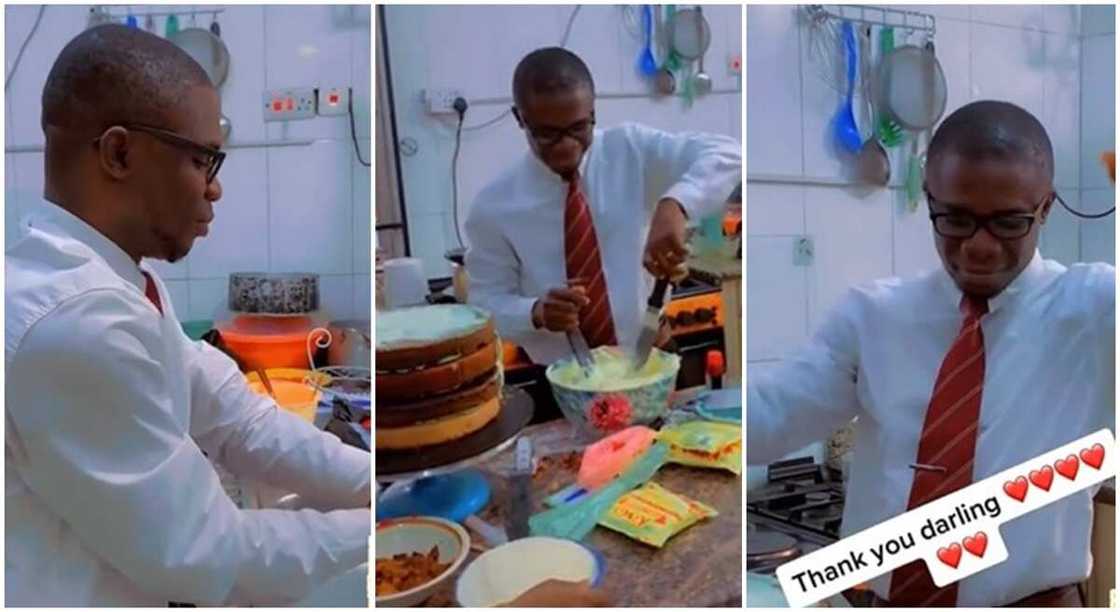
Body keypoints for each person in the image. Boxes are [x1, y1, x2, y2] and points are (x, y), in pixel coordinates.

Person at [5, 25, 370, 606]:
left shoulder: (119, 280)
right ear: (119, 153)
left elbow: (234, 414)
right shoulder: (74, 320)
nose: (216, 189)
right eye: (204, 159)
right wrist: (378, 530)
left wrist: (369, 483)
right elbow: (206, 556)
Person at [747, 100, 1114, 607]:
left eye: (1009, 223)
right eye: (956, 220)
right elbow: (773, 415)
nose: (980, 247)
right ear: (929, 199)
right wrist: (667, 423)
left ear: (1046, 208)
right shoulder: (874, 317)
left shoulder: (1093, 312)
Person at [465, 47, 741, 365]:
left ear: (593, 113)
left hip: (652, 360)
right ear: (520, 118)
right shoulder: (494, 206)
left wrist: (675, 204)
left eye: (578, 128)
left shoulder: (631, 151)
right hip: (564, 380)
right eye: (548, 134)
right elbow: (483, 307)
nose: (567, 145)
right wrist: (535, 313)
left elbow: (729, 154)